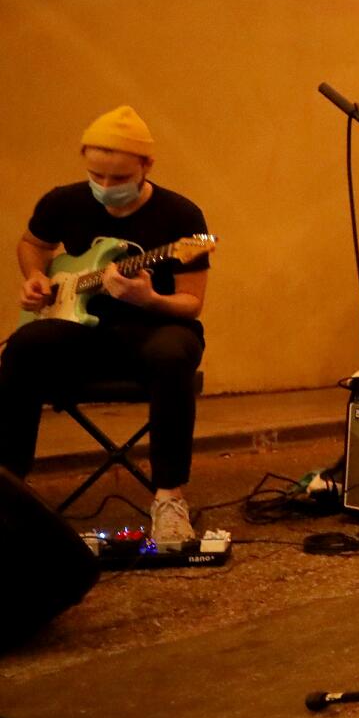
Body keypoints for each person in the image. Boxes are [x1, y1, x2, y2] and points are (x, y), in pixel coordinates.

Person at [2, 106, 211, 543]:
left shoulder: (184, 220)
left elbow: (192, 303)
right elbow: (31, 244)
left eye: (117, 179)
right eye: (97, 176)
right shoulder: (63, 201)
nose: (105, 187)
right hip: (81, 329)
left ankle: (169, 497)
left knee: (174, 353)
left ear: (146, 165)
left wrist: (149, 298)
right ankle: (8, 490)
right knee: (23, 347)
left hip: (154, 329)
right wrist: (36, 278)